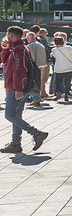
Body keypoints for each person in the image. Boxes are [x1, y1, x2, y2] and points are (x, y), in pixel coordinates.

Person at [0, 26, 48, 154]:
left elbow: (19, 70)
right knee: (16, 115)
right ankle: (16, 143)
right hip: (17, 87)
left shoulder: (19, 49)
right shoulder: (17, 48)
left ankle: (36, 133)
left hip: (16, 87)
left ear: (11, 36)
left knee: (9, 115)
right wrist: (5, 50)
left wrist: (18, 88)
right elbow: (3, 61)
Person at [24, 30, 47, 108]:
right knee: (38, 81)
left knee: (33, 82)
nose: (27, 39)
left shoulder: (30, 46)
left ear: (29, 37)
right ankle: (37, 98)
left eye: (27, 37)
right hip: (41, 65)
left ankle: (36, 98)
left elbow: (32, 58)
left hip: (34, 67)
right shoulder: (40, 45)